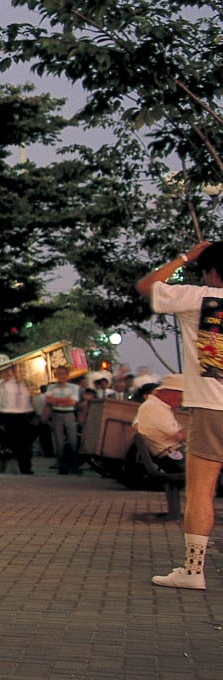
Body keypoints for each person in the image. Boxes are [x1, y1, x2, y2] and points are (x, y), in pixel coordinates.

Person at [138, 242, 223, 589]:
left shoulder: (200, 297)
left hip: (211, 406)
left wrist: (187, 256)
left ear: (212, 272)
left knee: (201, 491)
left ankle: (193, 570)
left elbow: (148, 286)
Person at [0, 366, 36, 474]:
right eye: (16, 372)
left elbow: (28, 399)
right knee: (9, 442)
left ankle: (25, 467)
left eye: (21, 372)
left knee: (24, 443)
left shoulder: (24, 384)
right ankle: (4, 460)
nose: (18, 374)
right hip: (8, 415)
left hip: (23, 415)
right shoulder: (4, 384)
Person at [135, 373, 187, 466]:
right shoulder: (155, 407)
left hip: (173, 452)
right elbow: (178, 435)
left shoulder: (159, 407)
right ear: (170, 392)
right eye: (182, 395)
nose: (183, 400)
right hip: (171, 455)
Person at [43, 365, 83, 473]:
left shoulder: (73, 387)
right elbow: (49, 400)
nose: (61, 376)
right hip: (56, 414)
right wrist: (65, 400)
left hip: (69, 413)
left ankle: (74, 464)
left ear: (67, 375)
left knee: (72, 439)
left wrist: (57, 400)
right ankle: (61, 465)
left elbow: (73, 402)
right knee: (58, 440)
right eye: (59, 374)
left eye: (63, 374)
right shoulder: (51, 387)